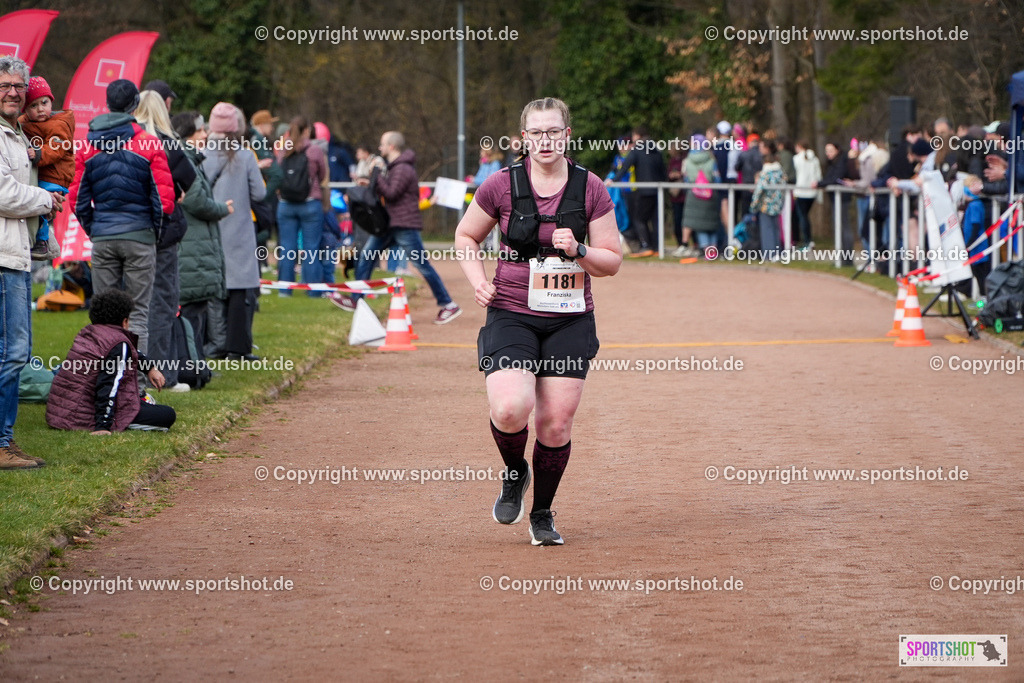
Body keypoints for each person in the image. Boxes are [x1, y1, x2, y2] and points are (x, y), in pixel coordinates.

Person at [453, 97, 622, 545]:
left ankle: (542, 514)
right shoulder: (500, 185)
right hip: (511, 310)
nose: (545, 141)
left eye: (553, 132)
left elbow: (612, 262)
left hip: (569, 318)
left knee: (555, 424)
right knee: (510, 408)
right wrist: (477, 280)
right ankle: (515, 472)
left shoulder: (591, 189)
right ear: (523, 137)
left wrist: (580, 251)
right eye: (536, 133)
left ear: (567, 135)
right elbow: (466, 235)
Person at [68, 79, 175, 359]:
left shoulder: (88, 146)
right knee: (138, 311)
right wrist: (154, 232)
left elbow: (77, 199)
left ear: (107, 103)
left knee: (105, 317)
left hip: (103, 238)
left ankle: (108, 386)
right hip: (140, 236)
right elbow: (163, 201)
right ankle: (135, 389)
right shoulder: (148, 143)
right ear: (135, 105)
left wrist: (95, 230)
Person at [0, 55, 61, 470]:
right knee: (12, 350)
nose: (12, 92)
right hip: (3, 258)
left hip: (17, 256)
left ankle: (5, 439)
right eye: (4, 85)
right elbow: (4, 194)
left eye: (18, 87)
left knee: (17, 351)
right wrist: (46, 200)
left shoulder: (18, 133)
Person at [355, 131, 462, 324]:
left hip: (404, 225)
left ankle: (448, 304)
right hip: (391, 224)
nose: (380, 148)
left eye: (382, 145)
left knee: (422, 265)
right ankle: (356, 300)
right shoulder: (396, 167)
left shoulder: (403, 168)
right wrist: (371, 181)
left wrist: (376, 173)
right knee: (366, 256)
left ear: (392, 147)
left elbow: (392, 193)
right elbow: (387, 189)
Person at [45, 289, 176, 434]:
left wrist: (150, 368)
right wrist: (103, 425)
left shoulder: (89, 333)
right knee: (167, 414)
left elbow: (131, 353)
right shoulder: (118, 344)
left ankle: (139, 404)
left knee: (142, 402)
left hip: (60, 412)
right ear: (124, 321)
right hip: (81, 415)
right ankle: (116, 418)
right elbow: (107, 384)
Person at [135, 90, 197, 392]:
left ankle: (130, 373)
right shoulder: (167, 142)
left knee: (134, 302)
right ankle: (163, 375)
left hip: (130, 229)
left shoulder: (125, 139)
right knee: (162, 300)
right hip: (163, 232)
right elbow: (189, 177)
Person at [202, 102, 266, 360]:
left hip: (211, 231)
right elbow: (259, 193)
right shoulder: (245, 155)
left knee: (215, 289)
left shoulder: (201, 153)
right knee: (241, 291)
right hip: (239, 229)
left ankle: (214, 344)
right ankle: (238, 348)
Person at [171, 110, 232, 357]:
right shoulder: (185, 160)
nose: (206, 135)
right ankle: (191, 365)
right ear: (188, 135)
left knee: (196, 310)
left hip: (196, 246)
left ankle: (195, 364)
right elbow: (196, 201)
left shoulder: (192, 159)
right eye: (200, 130)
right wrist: (223, 209)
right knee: (192, 312)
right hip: (191, 248)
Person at [18, 76, 74, 259]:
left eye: (44, 102)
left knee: (42, 205)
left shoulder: (60, 123)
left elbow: (58, 147)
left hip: (56, 177)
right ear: (26, 109)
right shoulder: (25, 123)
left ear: (51, 102)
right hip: (43, 175)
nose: (40, 109)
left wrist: (39, 154)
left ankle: (42, 242)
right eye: (33, 106)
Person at [275, 116, 329, 296]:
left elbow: (277, 173)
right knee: (311, 248)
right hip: (309, 203)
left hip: (286, 204)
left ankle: (285, 290)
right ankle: (313, 291)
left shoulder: (284, 149)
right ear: (307, 130)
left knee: (287, 248)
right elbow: (322, 175)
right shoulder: (315, 150)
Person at [606, 126, 667, 257]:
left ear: (638, 136)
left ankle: (646, 246)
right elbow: (663, 170)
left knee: (639, 219)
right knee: (656, 220)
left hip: (644, 190)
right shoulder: (657, 149)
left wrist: (613, 180)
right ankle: (657, 248)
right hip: (658, 190)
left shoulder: (636, 150)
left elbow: (625, 167)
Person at [680, 134, 720, 255]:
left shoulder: (687, 160)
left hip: (694, 194)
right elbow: (717, 179)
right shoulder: (711, 159)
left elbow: (686, 178)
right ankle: (713, 250)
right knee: (711, 222)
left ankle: (705, 248)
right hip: (710, 194)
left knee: (699, 223)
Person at [750, 139, 785, 257]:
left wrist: (753, 206)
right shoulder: (780, 172)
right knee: (775, 228)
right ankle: (777, 253)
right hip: (777, 204)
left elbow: (759, 190)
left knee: (767, 230)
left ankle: (769, 255)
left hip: (765, 205)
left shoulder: (765, 174)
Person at [792, 140, 821, 249]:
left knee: (803, 217)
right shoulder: (815, 159)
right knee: (805, 216)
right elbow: (818, 175)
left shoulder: (796, 159)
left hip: (800, 191)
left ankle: (807, 241)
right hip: (812, 192)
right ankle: (807, 240)